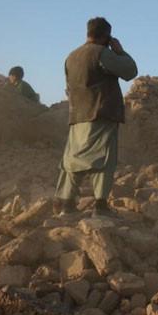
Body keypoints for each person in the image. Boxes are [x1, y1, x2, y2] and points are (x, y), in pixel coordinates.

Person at [53, 17, 138, 217]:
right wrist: (119, 51)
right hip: (101, 113)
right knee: (103, 159)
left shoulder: (71, 56)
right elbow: (130, 71)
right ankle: (100, 205)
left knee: (73, 159)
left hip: (78, 116)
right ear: (107, 36)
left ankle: (66, 204)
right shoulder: (102, 53)